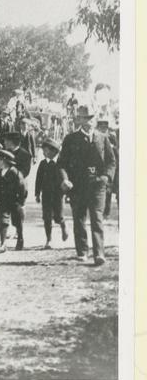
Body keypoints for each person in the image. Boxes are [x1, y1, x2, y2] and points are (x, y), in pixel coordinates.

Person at [58, 105, 116, 266]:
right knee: (79, 218)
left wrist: (106, 177)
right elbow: (62, 163)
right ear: (79, 120)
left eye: (91, 118)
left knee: (97, 218)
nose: (88, 122)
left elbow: (111, 161)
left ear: (95, 119)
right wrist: (65, 179)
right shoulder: (70, 139)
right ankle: (82, 251)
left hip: (98, 185)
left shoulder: (103, 138)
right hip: (77, 186)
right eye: (85, 118)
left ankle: (99, 253)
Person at [0, 149, 27, 253]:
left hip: (14, 202)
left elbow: (23, 188)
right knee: (3, 222)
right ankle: (3, 243)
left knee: (17, 221)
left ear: (4, 161)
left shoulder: (15, 173)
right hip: (2, 202)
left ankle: (20, 238)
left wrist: (21, 203)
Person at [34, 137, 69, 249]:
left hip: (58, 195)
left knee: (58, 216)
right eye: (43, 150)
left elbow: (65, 179)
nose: (44, 152)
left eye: (46, 150)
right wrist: (37, 193)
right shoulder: (43, 164)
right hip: (46, 194)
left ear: (54, 151)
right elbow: (38, 179)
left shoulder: (60, 164)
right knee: (46, 217)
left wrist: (67, 194)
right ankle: (49, 239)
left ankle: (63, 225)